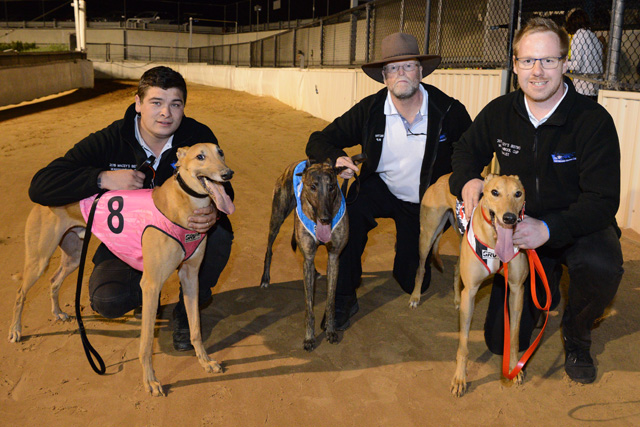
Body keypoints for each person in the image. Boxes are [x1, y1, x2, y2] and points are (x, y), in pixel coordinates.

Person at [449, 17, 623, 384]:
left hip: (577, 225)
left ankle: (577, 335)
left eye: (548, 60)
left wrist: (549, 228)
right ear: (514, 65)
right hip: (518, 227)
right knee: (499, 343)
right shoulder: (500, 112)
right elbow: (465, 150)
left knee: (601, 265)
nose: (538, 71)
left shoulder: (593, 120)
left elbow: (603, 200)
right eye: (528, 61)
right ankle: (548, 288)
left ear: (565, 63)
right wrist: (467, 180)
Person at [29, 66, 234, 352]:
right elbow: (41, 185)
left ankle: (186, 312)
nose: (166, 113)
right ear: (138, 104)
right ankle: (145, 294)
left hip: (182, 236)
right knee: (108, 299)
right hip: (128, 242)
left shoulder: (197, 136)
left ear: (183, 108)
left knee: (219, 233)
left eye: (175, 104)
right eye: (156, 102)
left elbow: (223, 185)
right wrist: (101, 178)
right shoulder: (111, 139)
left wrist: (215, 212)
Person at [306, 32, 472, 330]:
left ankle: (406, 258)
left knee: (410, 279)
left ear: (421, 71)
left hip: (423, 200)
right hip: (380, 187)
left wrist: (457, 188)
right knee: (351, 214)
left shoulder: (449, 111)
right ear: (384, 77)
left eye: (408, 66)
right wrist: (337, 158)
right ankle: (342, 296)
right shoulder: (371, 110)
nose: (401, 74)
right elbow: (318, 140)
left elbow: (471, 153)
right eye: (393, 68)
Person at [566, 8, 603, 100]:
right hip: (595, 87)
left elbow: (577, 65)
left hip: (582, 88)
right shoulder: (594, 37)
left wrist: (561, 64)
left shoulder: (578, 35)